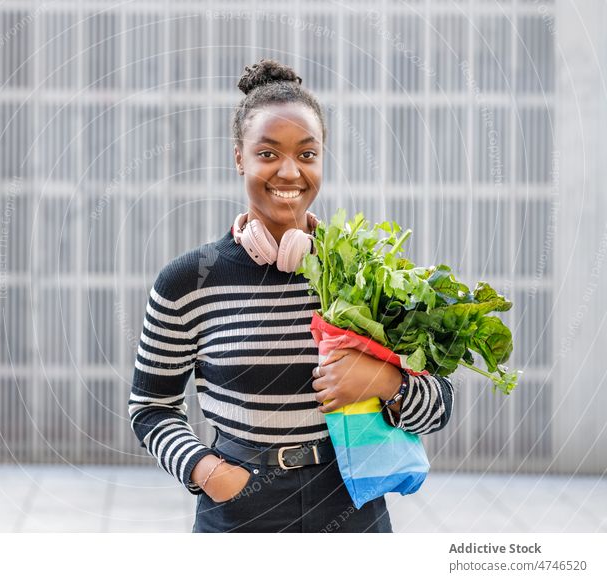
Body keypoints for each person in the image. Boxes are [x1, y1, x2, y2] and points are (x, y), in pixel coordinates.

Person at [127, 58, 455, 533]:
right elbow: (150, 408)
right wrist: (208, 472)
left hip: (352, 507)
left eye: (306, 154)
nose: (289, 171)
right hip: (238, 508)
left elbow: (440, 405)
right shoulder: (186, 281)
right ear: (239, 156)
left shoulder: (368, 279)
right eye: (267, 154)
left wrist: (388, 384)